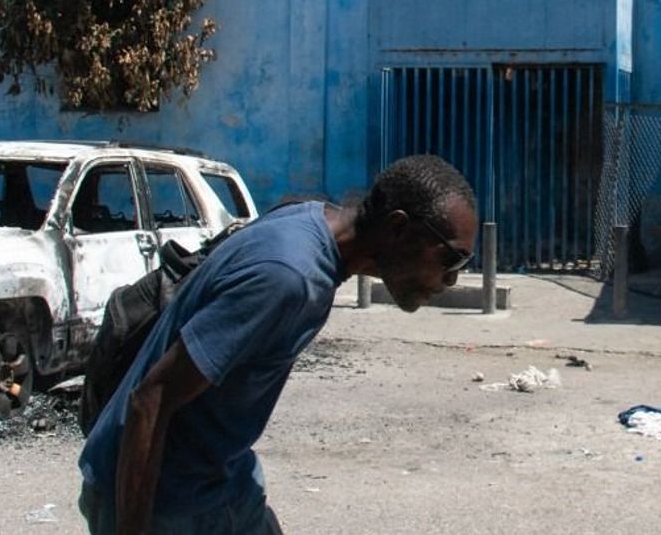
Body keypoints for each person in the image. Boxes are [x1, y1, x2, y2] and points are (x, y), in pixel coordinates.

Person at [77, 154, 478, 534]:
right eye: (452, 260)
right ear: (397, 228)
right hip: (165, 501)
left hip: (222, 483)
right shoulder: (288, 277)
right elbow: (151, 398)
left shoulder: (309, 221)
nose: (451, 281)